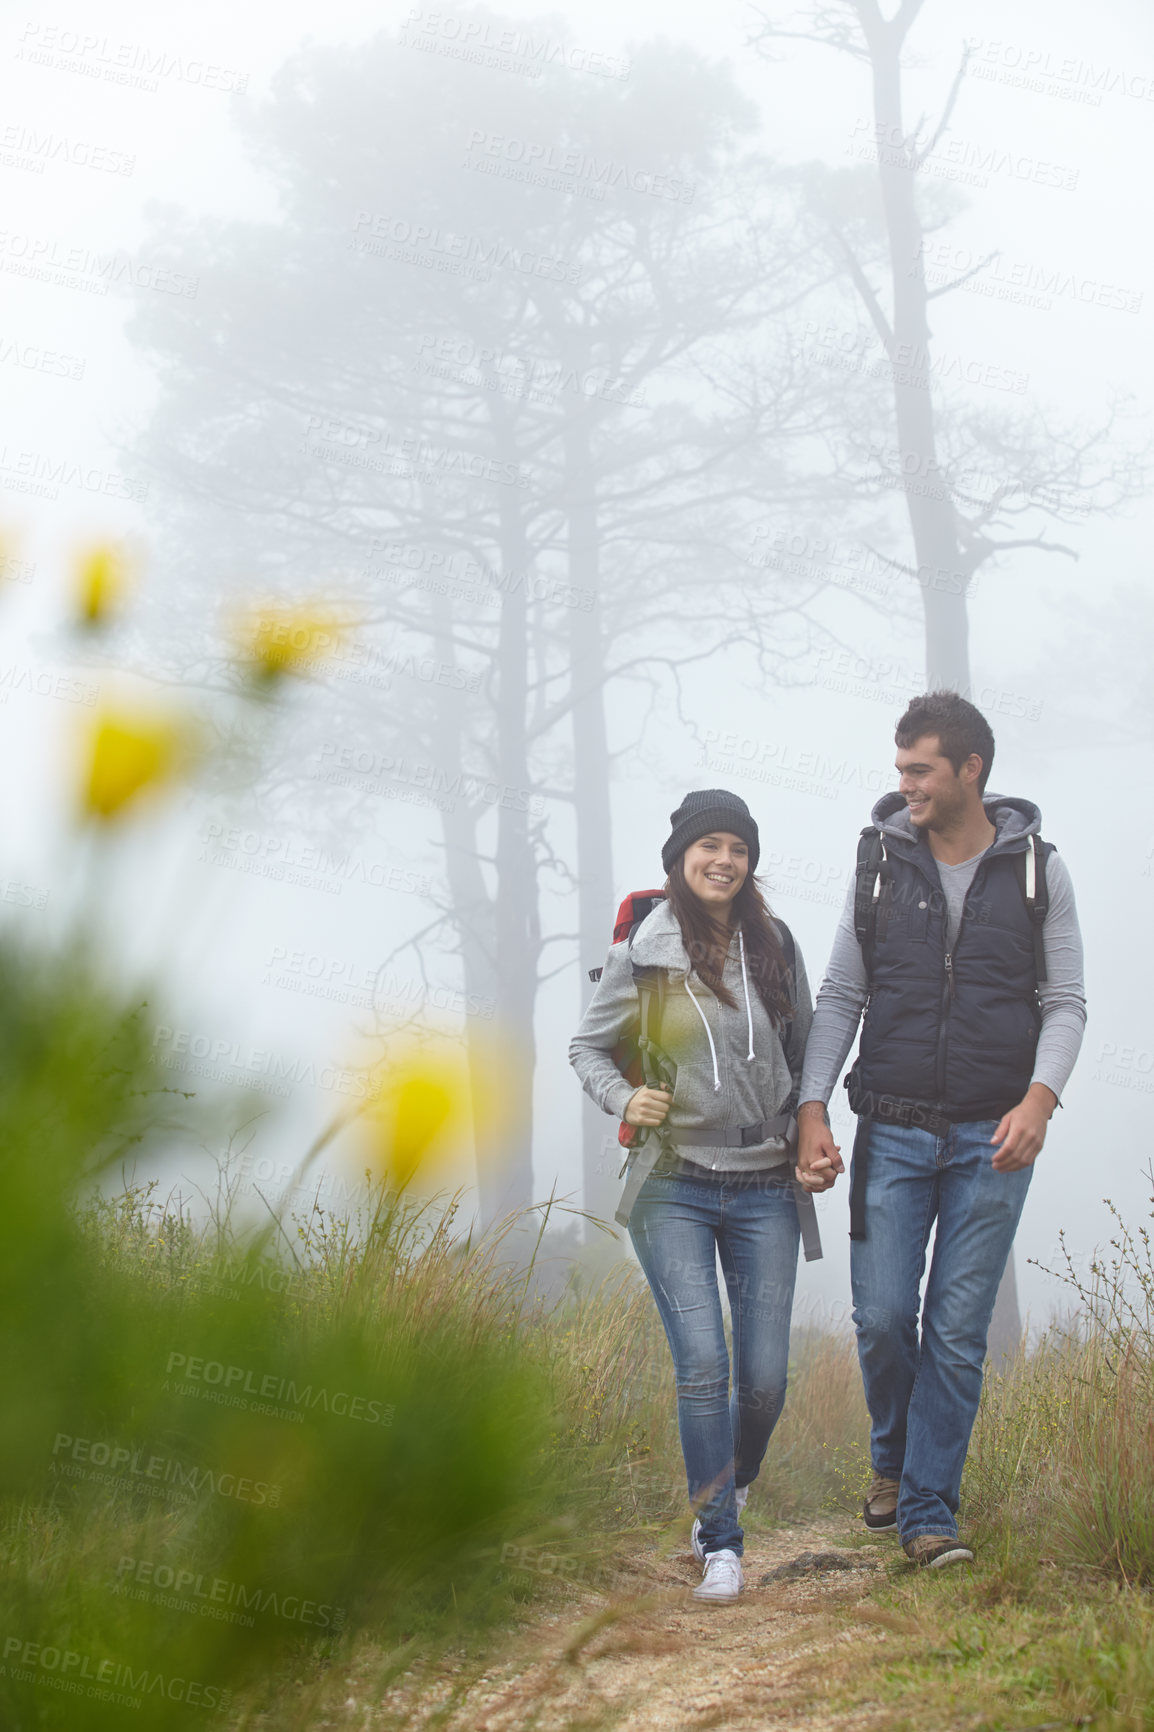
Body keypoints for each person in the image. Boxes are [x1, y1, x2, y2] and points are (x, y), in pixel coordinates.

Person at [795, 692, 1086, 1567]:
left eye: (920, 769)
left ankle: (927, 1514)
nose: (905, 784)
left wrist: (1040, 1100)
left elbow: (1065, 1001)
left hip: (994, 1139)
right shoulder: (879, 864)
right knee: (885, 1319)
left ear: (971, 770)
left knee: (956, 1333)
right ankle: (892, 1461)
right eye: (900, 769)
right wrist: (812, 1110)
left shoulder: (1040, 871)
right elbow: (843, 994)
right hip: (891, 1128)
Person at [570, 789, 816, 1604]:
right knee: (704, 1366)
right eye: (709, 845)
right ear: (679, 858)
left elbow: (810, 1053)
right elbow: (587, 1046)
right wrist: (622, 1099)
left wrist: (813, 1132)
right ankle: (722, 1543)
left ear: (750, 863)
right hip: (672, 1183)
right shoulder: (644, 949)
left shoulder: (775, 944)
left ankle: (734, 1479)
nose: (725, 860)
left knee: (766, 1379)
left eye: (738, 849)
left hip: (766, 1184)